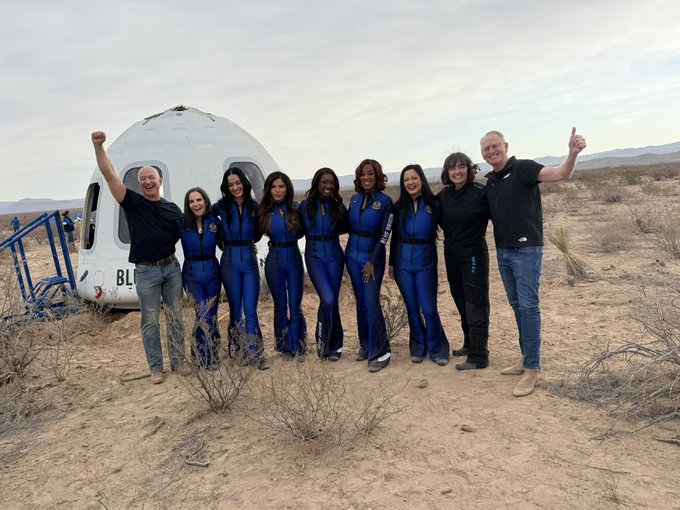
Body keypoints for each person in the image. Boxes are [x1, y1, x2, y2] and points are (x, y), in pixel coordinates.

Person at [482, 127, 586, 396]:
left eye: (495, 146)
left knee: (528, 307)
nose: (492, 151)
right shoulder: (491, 181)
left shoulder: (524, 169)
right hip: (503, 251)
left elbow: (560, 174)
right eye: (486, 149)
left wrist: (572, 154)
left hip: (526, 250)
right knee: (517, 306)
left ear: (505, 146)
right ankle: (525, 356)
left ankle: (532, 368)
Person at [91, 131, 186, 384]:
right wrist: (98, 146)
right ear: (139, 183)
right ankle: (156, 368)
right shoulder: (131, 202)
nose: (147, 181)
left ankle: (179, 362)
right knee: (150, 321)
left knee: (176, 317)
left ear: (160, 181)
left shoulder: (172, 209)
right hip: (146, 272)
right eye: (142, 178)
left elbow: (185, 235)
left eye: (151, 177)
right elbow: (109, 174)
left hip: (171, 268)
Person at [389, 164, 449, 365]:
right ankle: (418, 347)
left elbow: (450, 227)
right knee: (412, 308)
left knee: (429, 308)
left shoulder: (435, 204)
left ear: (421, 179)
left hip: (426, 260)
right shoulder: (398, 207)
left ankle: (437, 348)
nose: (410, 182)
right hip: (402, 263)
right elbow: (394, 237)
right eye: (406, 179)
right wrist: (391, 264)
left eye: (414, 178)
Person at [437, 153, 490, 371]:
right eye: (452, 168)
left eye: (461, 167)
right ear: (447, 172)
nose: (457, 172)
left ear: (469, 169)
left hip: (474, 254)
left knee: (475, 303)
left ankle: (479, 356)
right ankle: (469, 344)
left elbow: (501, 214)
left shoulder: (480, 192)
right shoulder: (443, 196)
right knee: (460, 300)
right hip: (451, 253)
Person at [213, 168, 269, 370]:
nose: (235, 187)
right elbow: (207, 222)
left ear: (244, 183)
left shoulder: (254, 206)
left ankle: (255, 353)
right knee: (236, 310)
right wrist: (220, 242)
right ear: (226, 187)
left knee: (251, 310)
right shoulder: (220, 207)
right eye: (230, 185)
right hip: (229, 263)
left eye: (238, 183)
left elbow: (259, 231)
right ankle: (237, 350)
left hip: (249, 262)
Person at [346, 159, 393, 373]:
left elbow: (385, 234)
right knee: (361, 304)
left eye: (371, 174)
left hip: (372, 260)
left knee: (371, 303)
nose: (367, 177)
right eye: (363, 174)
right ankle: (365, 345)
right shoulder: (355, 199)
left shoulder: (385, 201)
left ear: (378, 176)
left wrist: (372, 261)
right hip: (352, 257)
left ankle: (381, 352)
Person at [256, 171, 307, 359]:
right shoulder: (263, 211)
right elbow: (252, 234)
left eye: (281, 186)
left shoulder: (296, 208)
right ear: (268, 189)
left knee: (295, 305)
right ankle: (285, 347)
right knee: (280, 305)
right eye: (274, 187)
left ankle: (299, 345)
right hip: (274, 259)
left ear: (287, 189)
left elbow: (306, 230)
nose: (277, 190)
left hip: (293, 257)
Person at [299, 168, 348, 361]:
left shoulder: (338, 205)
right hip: (314, 257)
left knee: (332, 301)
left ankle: (334, 345)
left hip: (335, 256)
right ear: (317, 183)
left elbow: (348, 225)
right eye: (324, 182)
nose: (328, 186)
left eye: (332, 183)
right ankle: (322, 341)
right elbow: (296, 229)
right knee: (327, 299)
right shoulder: (304, 206)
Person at [177, 187, 222, 369]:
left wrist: (250, 246)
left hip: (213, 272)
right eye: (191, 201)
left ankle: (210, 351)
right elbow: (164, 241)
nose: (196, 204)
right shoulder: (181, 224)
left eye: (199, 200)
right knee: (202, 313)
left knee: (211, 314)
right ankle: (204, 356)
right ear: (187, 205)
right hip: (191, 274)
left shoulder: (215, 222)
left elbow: (226, 243)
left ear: (205, 201)